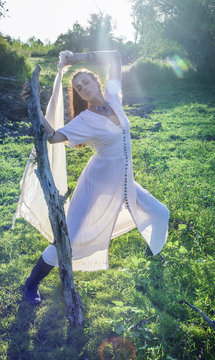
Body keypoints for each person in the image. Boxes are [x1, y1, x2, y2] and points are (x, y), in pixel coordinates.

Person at [22, 50, 169, 305]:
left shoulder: (114, 97)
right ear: (78, 95)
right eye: (78, 88)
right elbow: (54, 136)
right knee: (69, 238)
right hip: (97, 184)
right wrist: (34, 105)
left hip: (123, 183)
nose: (83, 88)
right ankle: (31, 283)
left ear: (96, 81)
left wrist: (75, 59)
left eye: (86, 82)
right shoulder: (85, 120)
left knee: (160, 213)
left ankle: (150, 264)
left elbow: (115, 56)